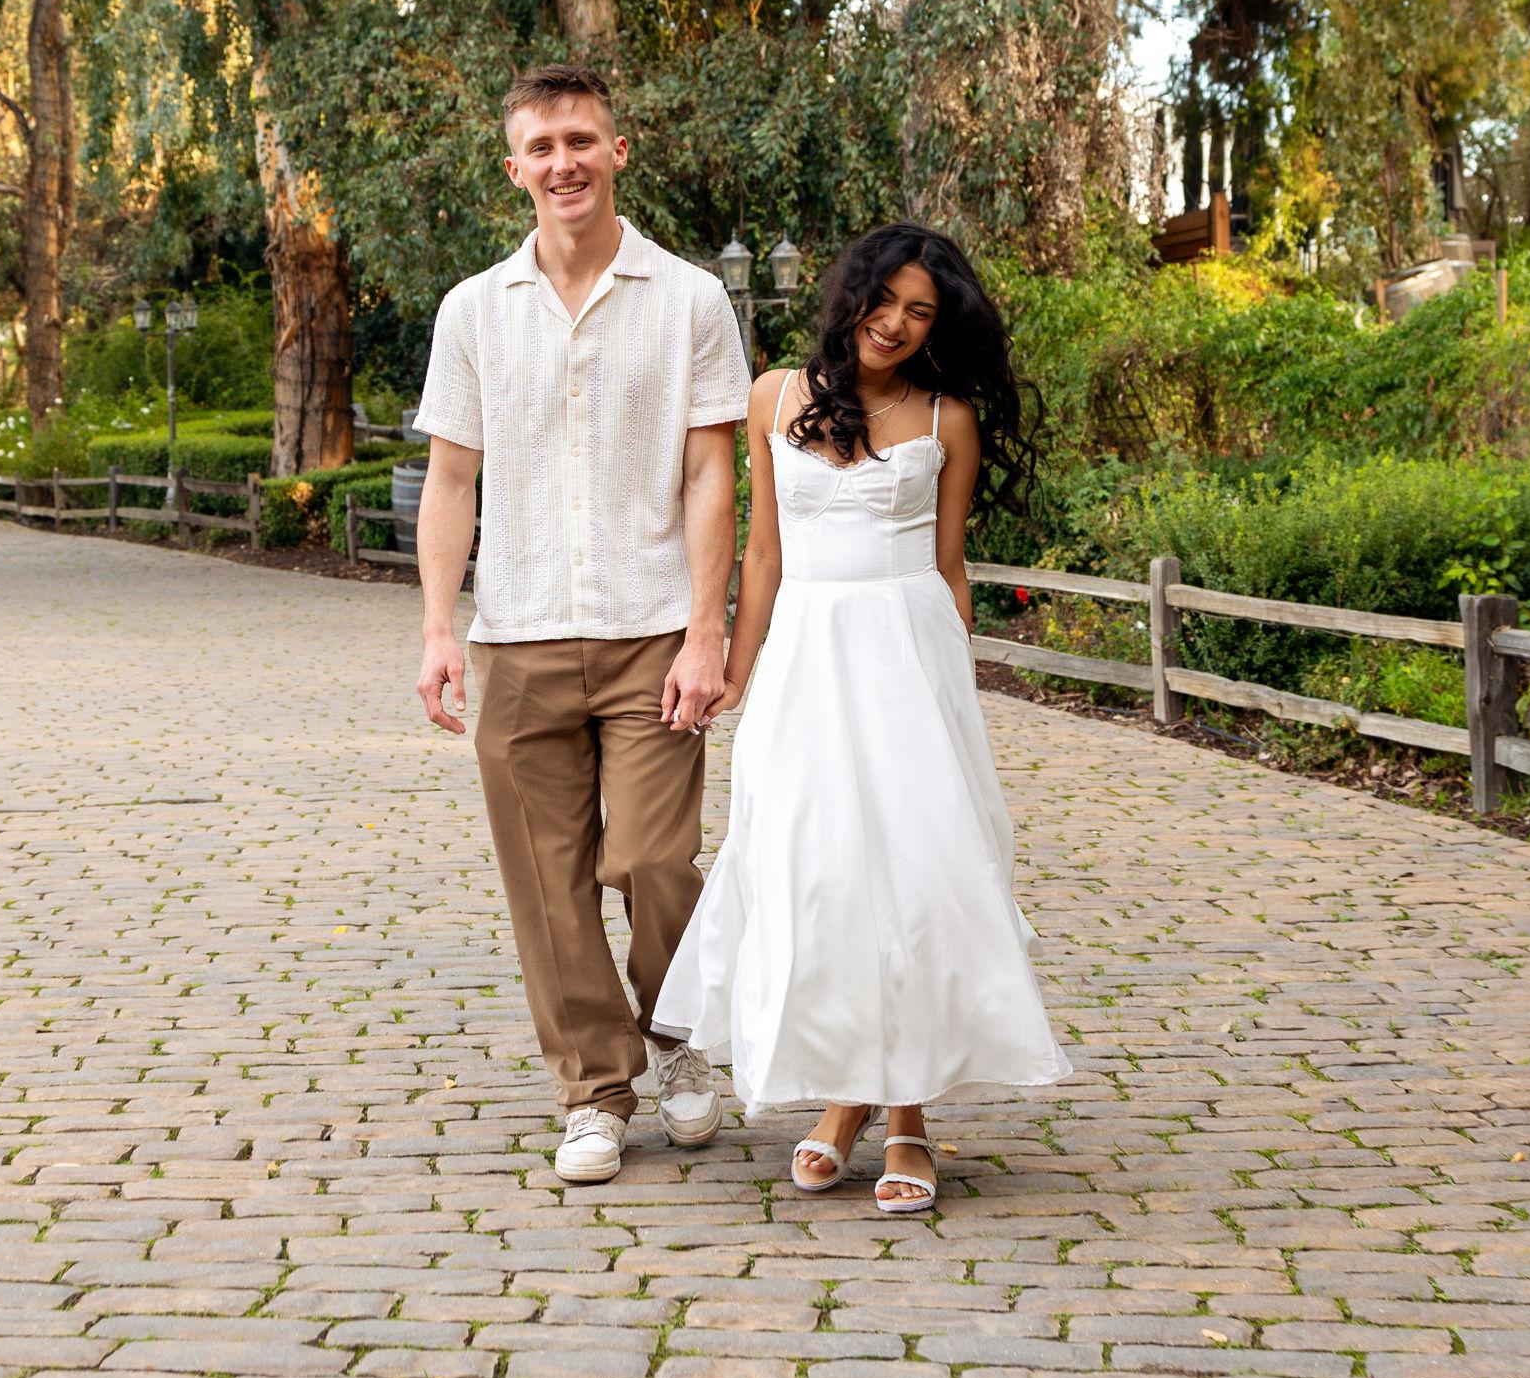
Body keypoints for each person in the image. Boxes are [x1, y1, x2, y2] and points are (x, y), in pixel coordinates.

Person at [654, 222, 1073, 1214]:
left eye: (919, 311)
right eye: (883, 300)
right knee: (821, 877)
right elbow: (763, 555)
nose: (894, 323)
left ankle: (903, 1117)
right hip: (806, 659)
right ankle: (847, 1099)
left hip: (905, 661)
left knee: (912, 880)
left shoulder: (946, 417)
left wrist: (953, 697)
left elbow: (948, 567)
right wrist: (736, 672)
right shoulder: (772, 396)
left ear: (938, 326)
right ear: (851, 295)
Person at [414, 62, 750, 1185]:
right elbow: (451, 479)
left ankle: (678, 1034)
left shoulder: (690, 300)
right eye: (542, 146)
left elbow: (711, 474)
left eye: (581, 141)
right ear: (514, 168)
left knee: (652, 857)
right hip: (517, 636)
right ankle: (594, 1090)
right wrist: (438, 626)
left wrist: (706, 631)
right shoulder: (473, 310)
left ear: (617, 151)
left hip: (652, 630)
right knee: (546, 882)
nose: (564, 163)